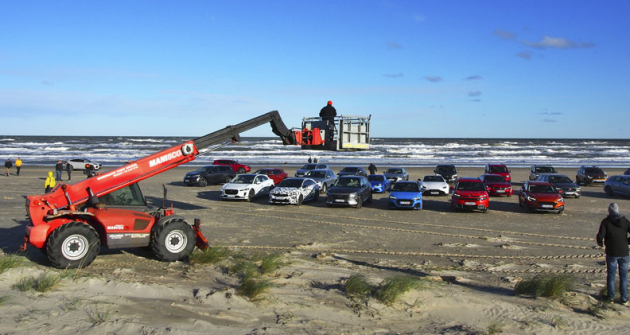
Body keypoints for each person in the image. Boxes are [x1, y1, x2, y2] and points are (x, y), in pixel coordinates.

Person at [596, 203, 630, 305]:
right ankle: (624, 298)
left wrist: (601, 243)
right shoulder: (625, 221)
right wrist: (627, 241)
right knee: (623, 275)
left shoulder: (606, 222)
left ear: (609, 211)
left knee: (611, 275)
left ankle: (611, 298)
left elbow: (600, 236)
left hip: (612, 252)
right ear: (618, 210)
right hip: (624, 251)